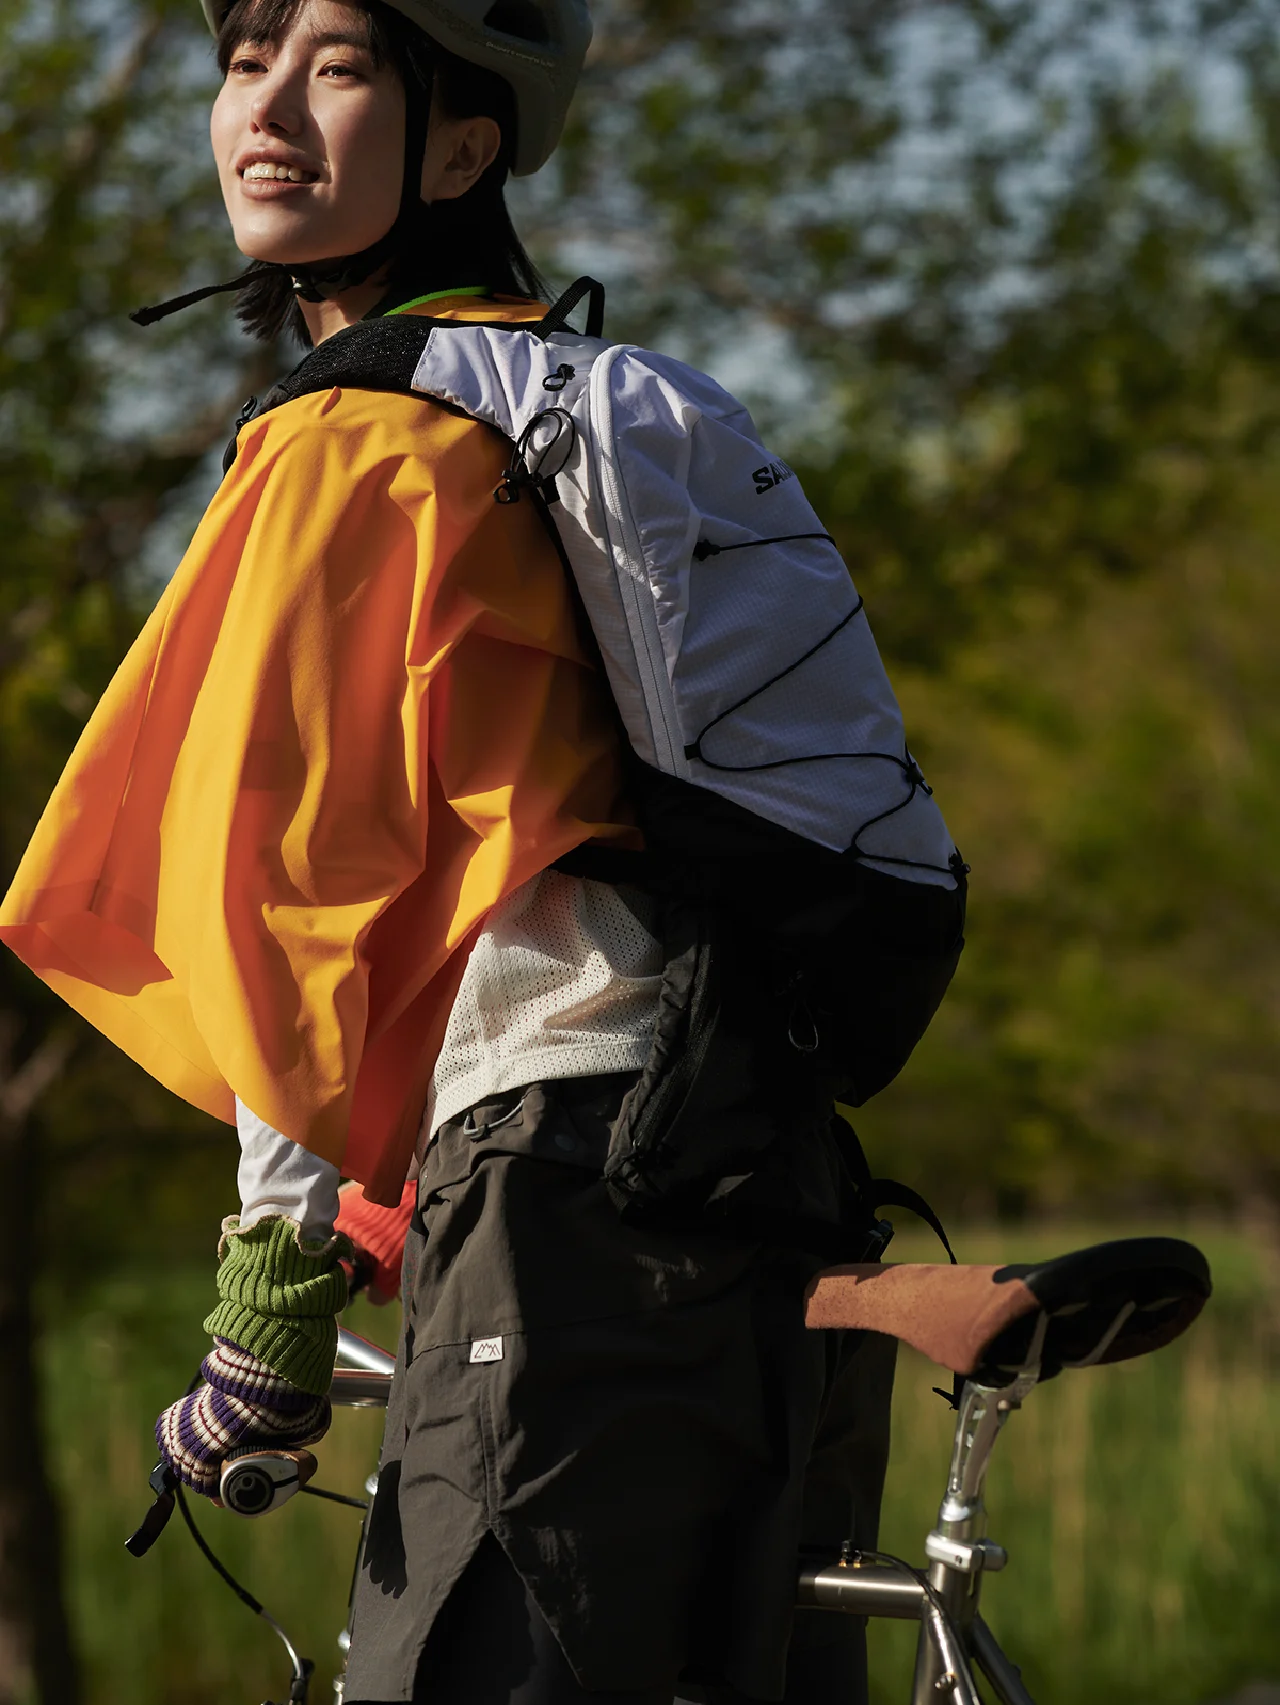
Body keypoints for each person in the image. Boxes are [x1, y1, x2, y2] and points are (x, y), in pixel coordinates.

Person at [0, 2, 912, 1699]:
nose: (265, 108)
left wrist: (267, 1304)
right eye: (241, 61)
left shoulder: (360, 432)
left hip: (564, 1209)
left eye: (338, 66)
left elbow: (294, 901)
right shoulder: (593, 405)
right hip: (756, 1168)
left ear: (467, 145)